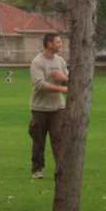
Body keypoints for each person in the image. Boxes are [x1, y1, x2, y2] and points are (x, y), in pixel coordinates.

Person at [29, 33, 68, 179]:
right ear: (49, 43)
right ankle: (37, 170)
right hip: (40, 109)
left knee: (59, 140)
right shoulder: (37, 62)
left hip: (58, 108)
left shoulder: (61, 61)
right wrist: (60, 88)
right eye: (58, 42)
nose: (60, 44)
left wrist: (63, 78)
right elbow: (39, 85)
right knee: (39, 141)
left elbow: (68, 82)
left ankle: (61, 170)